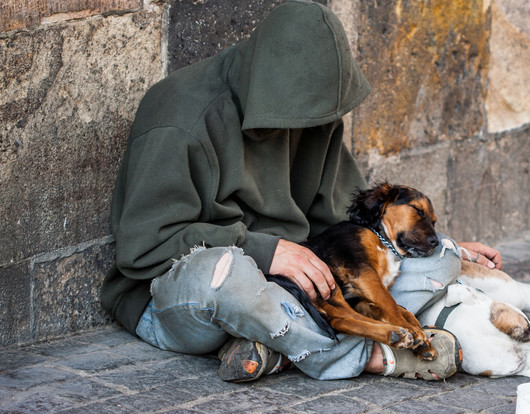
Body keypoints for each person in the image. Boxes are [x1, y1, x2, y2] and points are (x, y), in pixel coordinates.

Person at [101, 0, 501, 382]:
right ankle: (374, 356)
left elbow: (347, 226)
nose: (317, 128)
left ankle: (275, 345)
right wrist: (267, 250)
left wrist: (427, 243)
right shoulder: (179, 119)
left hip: (301, 289)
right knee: (227, 276)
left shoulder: (318, 116)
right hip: (181, 298)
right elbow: (144, 247)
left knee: (442, 259)